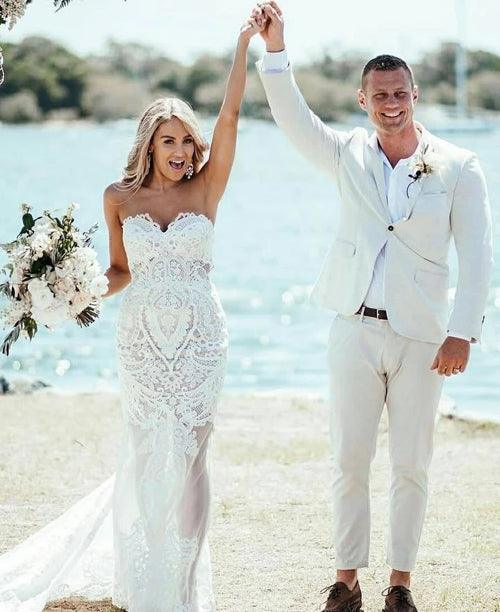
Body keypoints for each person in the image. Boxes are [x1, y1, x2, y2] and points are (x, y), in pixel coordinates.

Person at [0, 14, 265, 612]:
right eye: (168, 141)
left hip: (201, 339)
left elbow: (229, 117)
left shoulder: (206, 189)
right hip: (141, 340)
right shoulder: (118, 198)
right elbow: (121, 270)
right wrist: (79, 290)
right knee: (147, 453)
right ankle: (147, 578)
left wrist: (243, 45)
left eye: (186, 141)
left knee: (193, 456)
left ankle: (182, 587)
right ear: (148, 144)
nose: (181, 151)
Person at [252, 3, 493, 611]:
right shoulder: (346, 155)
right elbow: (292, 116)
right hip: (353, 329)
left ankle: (400, 584)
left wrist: (462, 332)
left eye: (400, 93)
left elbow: (478, 258)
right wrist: (276, 50)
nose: (391, 103)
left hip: (423, 337)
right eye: (380, 95)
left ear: (415, 95)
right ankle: (347, 581)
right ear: (362, 100)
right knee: (349, 460)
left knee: (411, 465)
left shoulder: (459, 166)